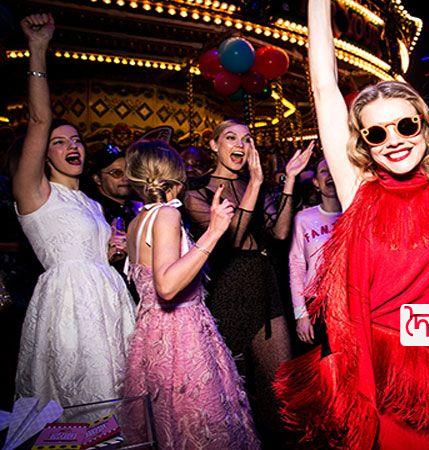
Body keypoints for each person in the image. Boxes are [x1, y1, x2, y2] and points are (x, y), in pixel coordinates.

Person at [274, 0, 429, 448]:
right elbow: (324, 88)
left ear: (424, 126)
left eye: (404, 126)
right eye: (376, 133)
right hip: (373, 374)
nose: (393, 141)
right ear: (365, 144)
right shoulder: (358, 190)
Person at [12, 14, 135, 413]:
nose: (72, 146)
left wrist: (112, 252)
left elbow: (97, 254)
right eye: (59, 142)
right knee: (84, 403)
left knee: (122, 399)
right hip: (69, 306)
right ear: (43, 155)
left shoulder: (92, 204)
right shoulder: (35, 193)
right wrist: (38, 48)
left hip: (108, 301)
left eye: (77, 140)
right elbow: (39, 119)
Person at [121, 140, 260, 449]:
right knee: (199, 427)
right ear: (177, 174)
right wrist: (214, 231)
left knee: (167, 425)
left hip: (152, 335)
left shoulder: (137, 221)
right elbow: (167, 286)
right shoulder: (166, 215)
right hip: (180, 335)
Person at [184, 119, 312, 444]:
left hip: (264, 286)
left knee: (281, 388)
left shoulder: (256, 185)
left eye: (246, 139)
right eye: (231, 138)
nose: (240, 145)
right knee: (230, 394)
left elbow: (279, 233)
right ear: (214, 145)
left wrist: (289, 179)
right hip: (226, 290)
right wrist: (255, 183)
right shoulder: (196, 191)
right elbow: (232, 239)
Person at [288, 158, 341, 344]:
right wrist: (300, 314)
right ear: (316, 183)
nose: (330, 174)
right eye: (324, 171)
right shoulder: (304, 218)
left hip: (349, 301)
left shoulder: (355, 214)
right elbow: (296, 266)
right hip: (317, 303)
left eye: (333, 168)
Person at [86, 143, 140, 225]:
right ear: (97, 179)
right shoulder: (94, 212)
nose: (126, 178)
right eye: (117, 173)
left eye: (129, 172)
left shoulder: (137, 207)